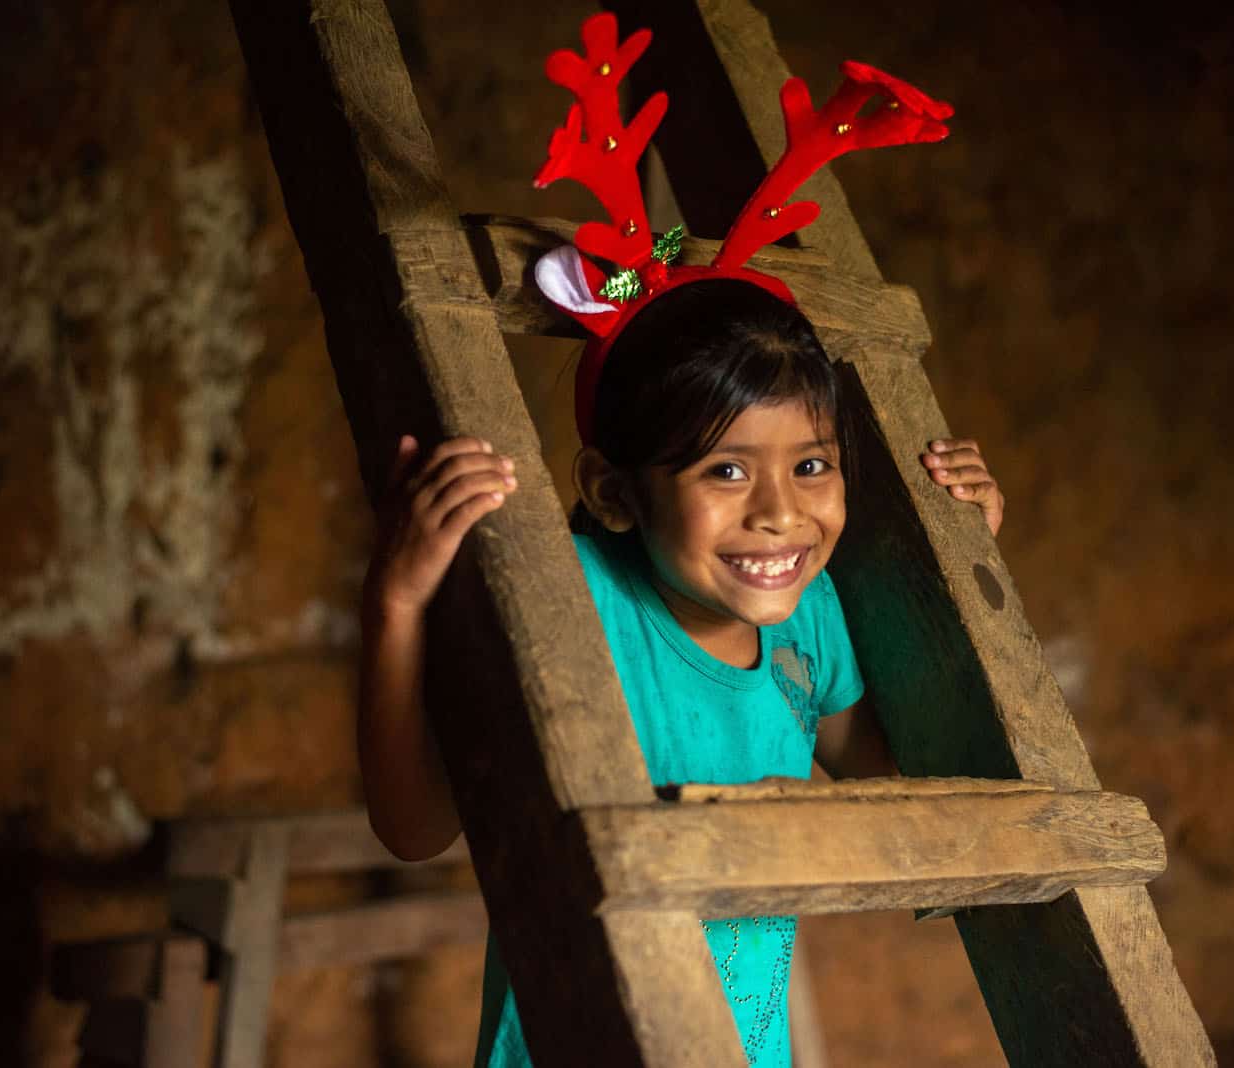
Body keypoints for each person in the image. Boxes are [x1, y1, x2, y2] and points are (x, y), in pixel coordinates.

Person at [357, 278, 1005, 1066]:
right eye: (726, 472)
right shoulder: (570, 601)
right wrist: (396, 609)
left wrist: (962, 559)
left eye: (811, 464)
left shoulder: (813, 617)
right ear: (614, 491)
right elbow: (416, 829)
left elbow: (903, 790)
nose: (780, 512)